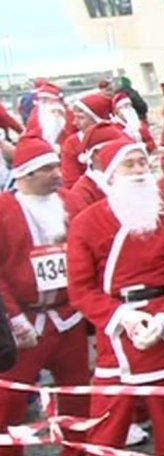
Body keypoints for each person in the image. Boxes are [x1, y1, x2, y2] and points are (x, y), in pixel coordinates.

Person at [67, 138, 164, 455]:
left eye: (143, 163)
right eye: (130, 164)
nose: (140, 170)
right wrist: (122, 317)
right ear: (111, 174)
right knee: (105, 427)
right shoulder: (87, 223)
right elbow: (81, 290)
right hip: (116, 333)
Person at [0, 137, 90, 456]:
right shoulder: (4, 209)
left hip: (68, 317)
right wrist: (12, 316)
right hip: (25, 321)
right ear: (25, 174)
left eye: (56, 165)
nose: (57, 172)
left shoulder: (70, 201)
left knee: (79, 394)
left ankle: (74, 451)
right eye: (47, 168)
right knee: (10, 400)